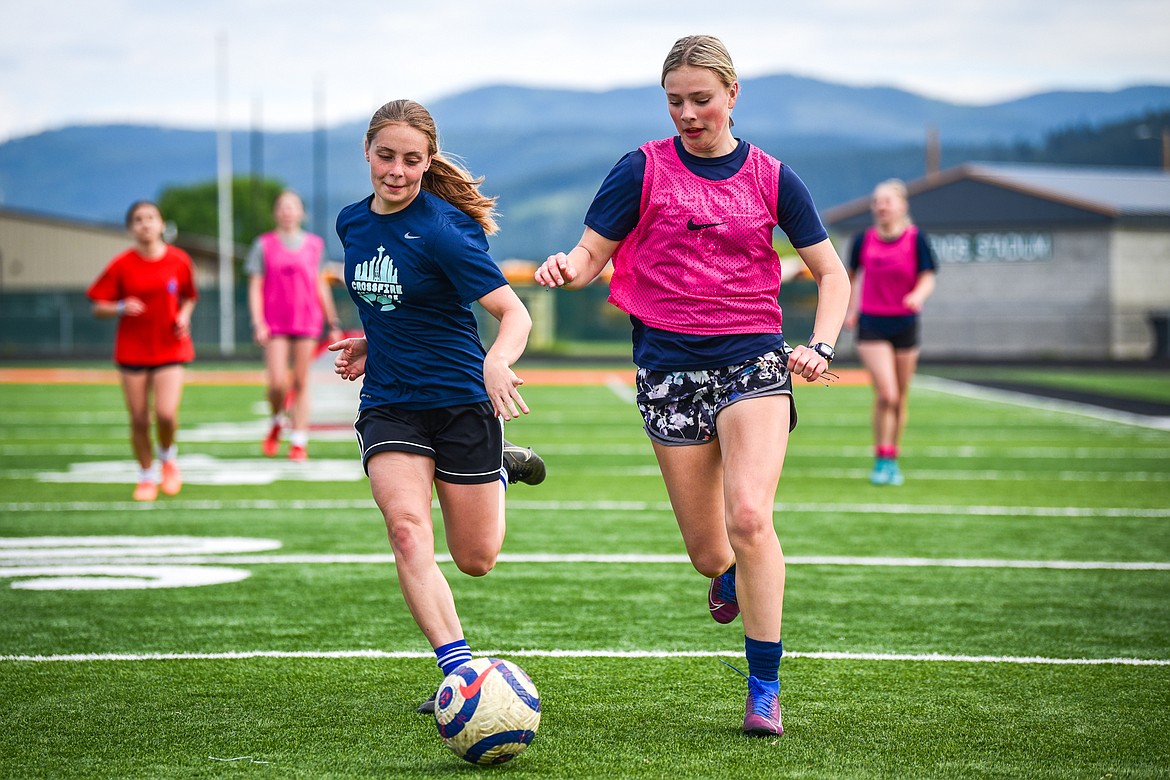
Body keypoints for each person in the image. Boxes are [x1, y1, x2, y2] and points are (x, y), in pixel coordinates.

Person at [534, 35, 850, 737]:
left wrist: (821, 345)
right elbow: (592, 256)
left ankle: (763, 688)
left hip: (753, 364)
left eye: (701, 99)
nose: (687, 113)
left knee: (749, 516)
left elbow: (832, 274)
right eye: (675, 101)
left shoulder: (772, 177)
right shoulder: (639, 168)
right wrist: (567, 266)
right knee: (711, 553)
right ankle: (730, 574)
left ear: (733, 95)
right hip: (669, 371)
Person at [328, 99, 547, 715]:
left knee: (476, 559)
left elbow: (513, 312)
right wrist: (373, 341)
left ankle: (497, 461)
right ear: (367, 153)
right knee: (406, 530)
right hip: (391, 403)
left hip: (460, 400)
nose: (397, 171)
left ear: (428, 162)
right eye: (386, 156)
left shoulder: (447, 229)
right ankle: (458, 669)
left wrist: (497, 361)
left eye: (412, 160)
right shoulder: (351, 222)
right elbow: (396, 300)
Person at [87, 200, 198, 502]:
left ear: (162, 224)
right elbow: (98, 305)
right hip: (132, 351)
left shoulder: (178, 260)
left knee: (165, 414)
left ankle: (168, 457)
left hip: (170, 348)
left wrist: (184, 316)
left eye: (151, 218)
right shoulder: (121, 264)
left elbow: (189, 296)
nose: (145, 224)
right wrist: (120, 307)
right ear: (130, 228)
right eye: (138, 219)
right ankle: (146, 476)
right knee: (138, 418)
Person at [844, 179, 937, 486]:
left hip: (905, 323)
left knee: (899, 399)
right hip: (872, 323)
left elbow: (927, 276)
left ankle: (891, 458)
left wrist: (918, 296)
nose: (881, 206)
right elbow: (850, 277)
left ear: (902, 205)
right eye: (877, 201)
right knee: (887, 392)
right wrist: (849, 309)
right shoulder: (863, 241)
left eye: (887, 201)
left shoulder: (915, 239)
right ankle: (881, 458)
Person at [247, 190, 344, 462]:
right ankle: (277, 418)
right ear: (276, 212)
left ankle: (299, 440)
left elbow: (320, 285)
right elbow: (255, 287)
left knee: (301, 381)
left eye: (293, 207)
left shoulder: (314, 245)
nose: (287, 211)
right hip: (275, 323)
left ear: (302, 213)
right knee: (277, 383)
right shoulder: (263, 245)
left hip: (307, 321)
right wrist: (258, 322)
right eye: (282, 207)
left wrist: (332, 321)